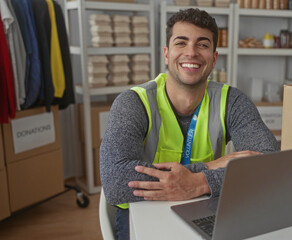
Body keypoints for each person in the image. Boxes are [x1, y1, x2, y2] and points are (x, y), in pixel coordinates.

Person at [100, 8, 280, 240]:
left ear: (214, 58)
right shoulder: (133, 102)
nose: (191, 52)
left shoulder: (232, 101)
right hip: (142, 213)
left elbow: (270, 166)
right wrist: (211, 167)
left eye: (202, 45)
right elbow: (116, 182)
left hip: (204, 207)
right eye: (181, 43)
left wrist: (198, 183)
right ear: (167, 54)